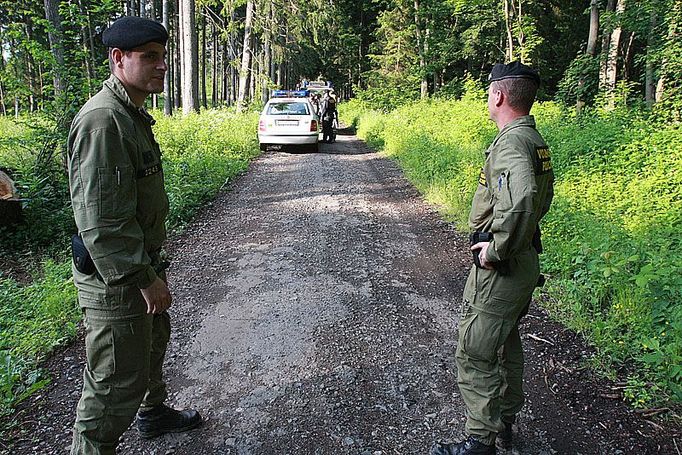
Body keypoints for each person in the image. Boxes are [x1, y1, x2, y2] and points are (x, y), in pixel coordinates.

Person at [67, 16, 202, 455]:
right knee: (111, 390)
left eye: (163, 56)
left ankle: (153, 414)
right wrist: (142, 278)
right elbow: (103, 223)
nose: (162, 65)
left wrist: (149, 271)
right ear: (118, 59)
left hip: (137, 264)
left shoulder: (130, 114)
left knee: (150, 348)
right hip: (117, 278)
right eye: (150, 57)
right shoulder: (104, 121)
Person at [430, 61, 554, 455]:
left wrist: (496, 249)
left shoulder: (512, 144)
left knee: (476, 349)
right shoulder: (533, 140)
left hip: (503, 266)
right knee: (506, 343)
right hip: (524, 260)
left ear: (498, 95)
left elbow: (524, 199)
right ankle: (505, 422)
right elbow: (540, 197)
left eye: (488, 93)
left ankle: (479, 443)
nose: (488, 99)